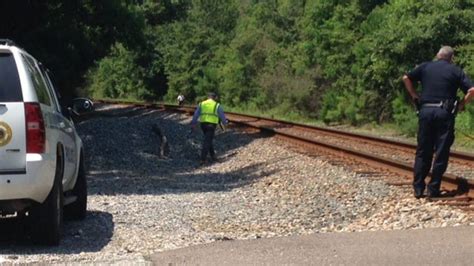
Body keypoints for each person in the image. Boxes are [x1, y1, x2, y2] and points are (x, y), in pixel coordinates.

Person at [402, 46, 474, 199]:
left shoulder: (425, 66)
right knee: (441, 152)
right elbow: (472, 90)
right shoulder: (456, 71)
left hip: (426, 111)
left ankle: (418, 188)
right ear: (451, 58)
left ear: (437, 55)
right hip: (444, 113)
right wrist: (461, 105)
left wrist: (415, 95)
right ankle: (433, 188)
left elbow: (406, 77)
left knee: (423, 150)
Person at [190, 92, 228, 165]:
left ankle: (213, 155)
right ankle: (203, 159)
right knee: (207, 141)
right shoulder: (217, 105)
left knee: (208, 139)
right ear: (215, 97)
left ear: (208, 97)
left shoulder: (202, 104)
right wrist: (225, 124)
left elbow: (196, 114)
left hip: (203, 124)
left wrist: (193, 123)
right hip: (211, 125)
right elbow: (222, 116)